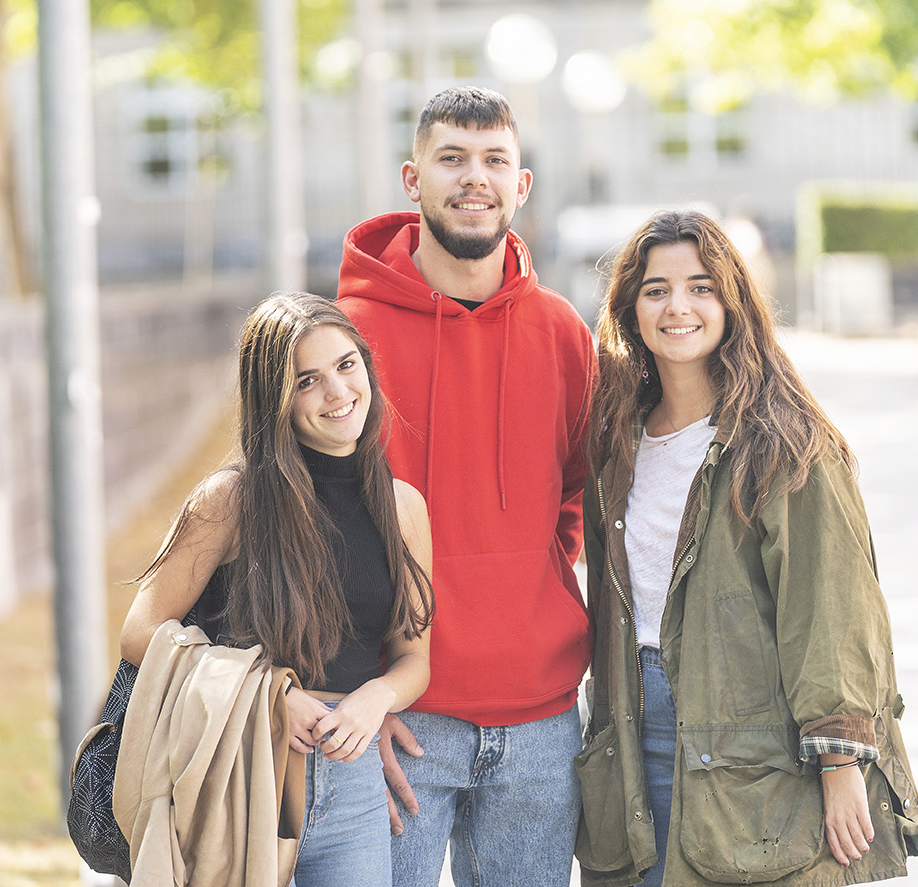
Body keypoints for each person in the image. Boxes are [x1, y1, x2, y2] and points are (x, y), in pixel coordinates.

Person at [576, 210, 918, 887]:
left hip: (751, 748)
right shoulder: (615, 439)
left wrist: (839, 765)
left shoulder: (785, 444)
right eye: (655, 289)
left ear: (731, 301)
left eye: (700, 286)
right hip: (629, 735)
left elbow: (831, 613)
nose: (677, 305)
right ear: (629, 307)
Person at [336, 85, 596, 886]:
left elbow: (576, 499)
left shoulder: (559, 329)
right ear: (412, 180)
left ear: (521, 186)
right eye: (450, 158)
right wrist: (356, 695)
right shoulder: (344, 337)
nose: (472, 178)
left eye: (493, 161)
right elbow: (312, 530)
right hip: (402, 718)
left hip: (542, 721)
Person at [119, 292, 435, 887]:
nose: (338, 393)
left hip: (353, 784)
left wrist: (374, 699)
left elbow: (414, 658)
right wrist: (267, 693)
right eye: (307, 381)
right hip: (240, 768)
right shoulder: (230, 502)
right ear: (276, 400)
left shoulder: (402, 509)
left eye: (346, 365)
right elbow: (141, 632)